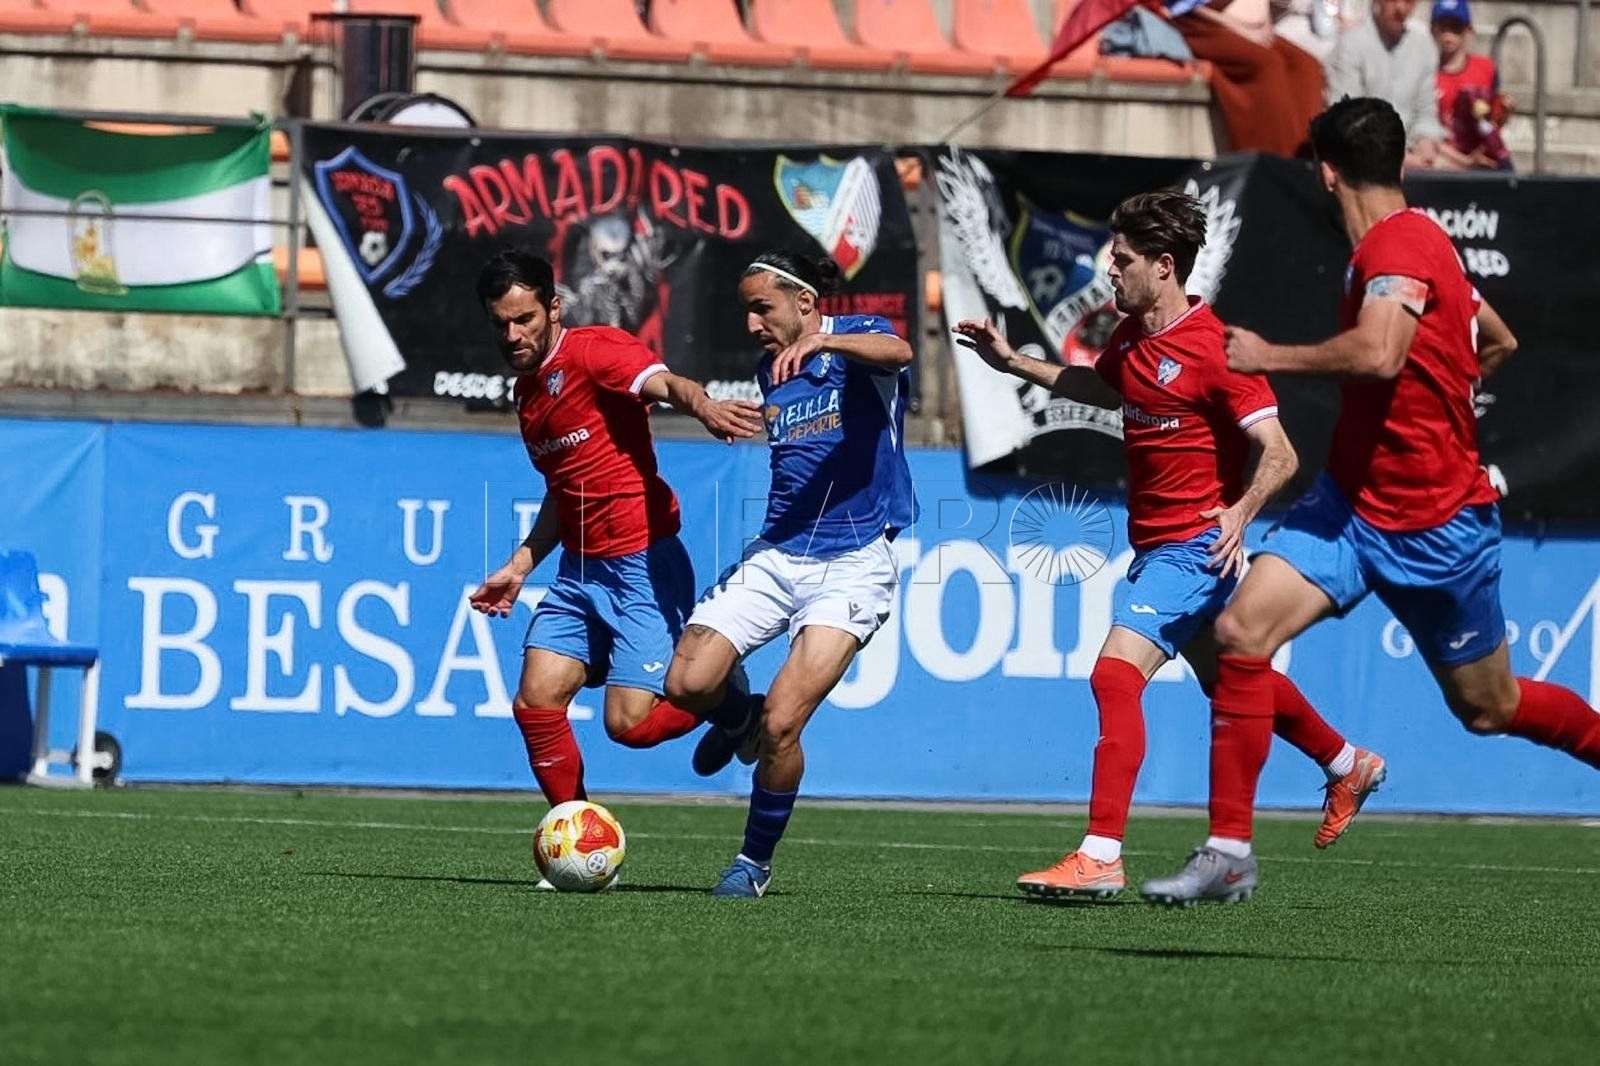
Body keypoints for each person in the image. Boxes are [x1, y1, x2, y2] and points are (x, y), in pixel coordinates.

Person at [1144, 97, 1600, 906]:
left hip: (1436, 527)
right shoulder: (1420, 244)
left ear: (1327, 174)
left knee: (1489, 708)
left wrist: (1269, 354)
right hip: (1348, 511)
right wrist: (1448, 390)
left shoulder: (1397, 245)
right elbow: (1498, 339)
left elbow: (1383, 354)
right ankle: (1229, 851)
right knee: (1242, 633)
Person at [954, 191, 1382, 901]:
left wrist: (1240, 512)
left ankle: (1100, 854)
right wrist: (1014, 363)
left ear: (1163, 265)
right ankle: (1346, 763)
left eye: (1122, 259)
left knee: (1114, 676)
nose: (1110, 270)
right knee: (1233, 681)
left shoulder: (1215, 347)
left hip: (1194, 550)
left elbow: (1280, 452)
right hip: (1158, 549)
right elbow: (1102, 386)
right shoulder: (1130, 338)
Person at [467, 248, 765, 839]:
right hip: (579, 572)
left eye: (525, 318)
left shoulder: (594, 351)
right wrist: (521, 565)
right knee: (535, 701)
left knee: (629, 726)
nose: (513, 334)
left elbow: (665, 383)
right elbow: (564, 490)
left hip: (641, 564)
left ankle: (730, 701)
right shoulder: (529, 395)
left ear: (554, 308)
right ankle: (577, 838)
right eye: (501, 323)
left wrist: (704, 405)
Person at [662, 249, 916, 899]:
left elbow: (900, 352)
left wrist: (827, 341)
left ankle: (752, 863)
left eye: (762, 308)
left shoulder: (858, 339)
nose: (753, 324)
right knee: (687, 683)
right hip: (778, 555)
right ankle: (736, 720)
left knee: (784, 724)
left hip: (853, 564)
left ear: (805, 302)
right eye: (747, 311)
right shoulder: (771, 371)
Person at [1173, 0, 1327, 157]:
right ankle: (1271, 160)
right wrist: (1238, 27)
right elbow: (1180, 6)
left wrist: (1264, 25)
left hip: (1248, 28)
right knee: (1267, 64)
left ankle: (1309, 159)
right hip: (1195, 24)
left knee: (1306, 66)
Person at [1325, 0, 1446, 169]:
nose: (1400, 8)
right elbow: (1347, 119)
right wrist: (1396, 158)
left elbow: (1426, 111)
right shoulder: (1351, 45)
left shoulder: (1423, 46)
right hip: (1360, 159)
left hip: (1411, 155)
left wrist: (1426, 142)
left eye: (1408, 1)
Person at [1430, 0, 1512, 170]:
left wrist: (1502, 115)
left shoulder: (1486, 68)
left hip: (1484, 154)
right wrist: (1465, 161)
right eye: (1443, 26)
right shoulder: (1427, 74)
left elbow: (1492, 120)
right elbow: (1424, 132)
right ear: (1433, 29)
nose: (1448, 33)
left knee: (1505, 168)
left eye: (1455, 26)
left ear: (1468, 30)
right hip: (1446, 159)